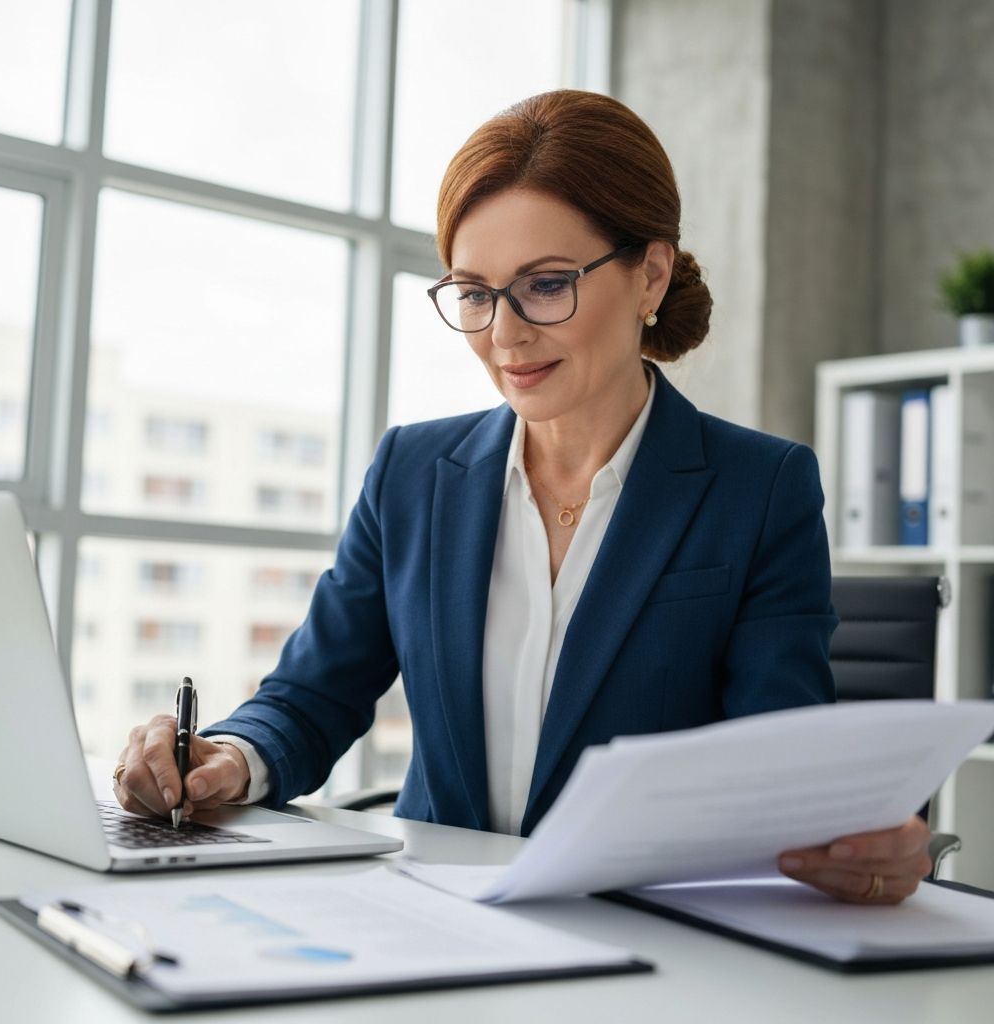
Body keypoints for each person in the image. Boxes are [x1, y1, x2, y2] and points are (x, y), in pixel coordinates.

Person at [114, 90, 931, 905]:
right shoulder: (412, 471)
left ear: (650, 274)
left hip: (649, 932)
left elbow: (779, 757)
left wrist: (859, 836)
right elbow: (311, 695)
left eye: (544, 285)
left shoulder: (761, 488)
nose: (504, 335)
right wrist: (228, 755)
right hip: (435, 919)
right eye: (474, 292)